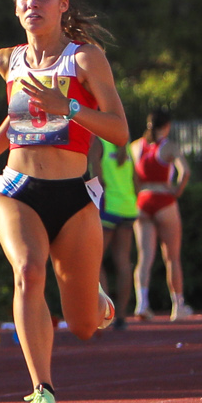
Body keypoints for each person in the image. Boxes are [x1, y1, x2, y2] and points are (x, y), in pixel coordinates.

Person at [0, 0, 129, 403]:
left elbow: (119, 131)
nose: (32, 3)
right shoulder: (7, 60)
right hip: (17, 188)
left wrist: (70, 107)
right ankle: (42, 389)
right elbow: (20, 115)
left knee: (83, 325)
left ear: (63, 4)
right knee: (28, 271)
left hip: (73, 196)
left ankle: (93, 296)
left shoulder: (86, 59)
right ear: (15, 6)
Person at [131, 110, 191, 319]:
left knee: (144, 257)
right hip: (164, 200)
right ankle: (178, 305)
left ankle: (142, 304)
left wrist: (139, 192)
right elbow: (185, 171)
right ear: (166, 126)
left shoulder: (136, 146)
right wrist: (177, 191)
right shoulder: (169, 146)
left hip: (142, 201)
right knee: (172, 257)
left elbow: (133, 177)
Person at [92, 133, 137, 330]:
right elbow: (136, 179)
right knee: (123, 261)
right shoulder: (125, 144)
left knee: (94, 260)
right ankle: (122, 316)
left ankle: (105, 312)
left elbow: (96, 176)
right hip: (128, 207)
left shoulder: (99, 142)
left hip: (108, 207)